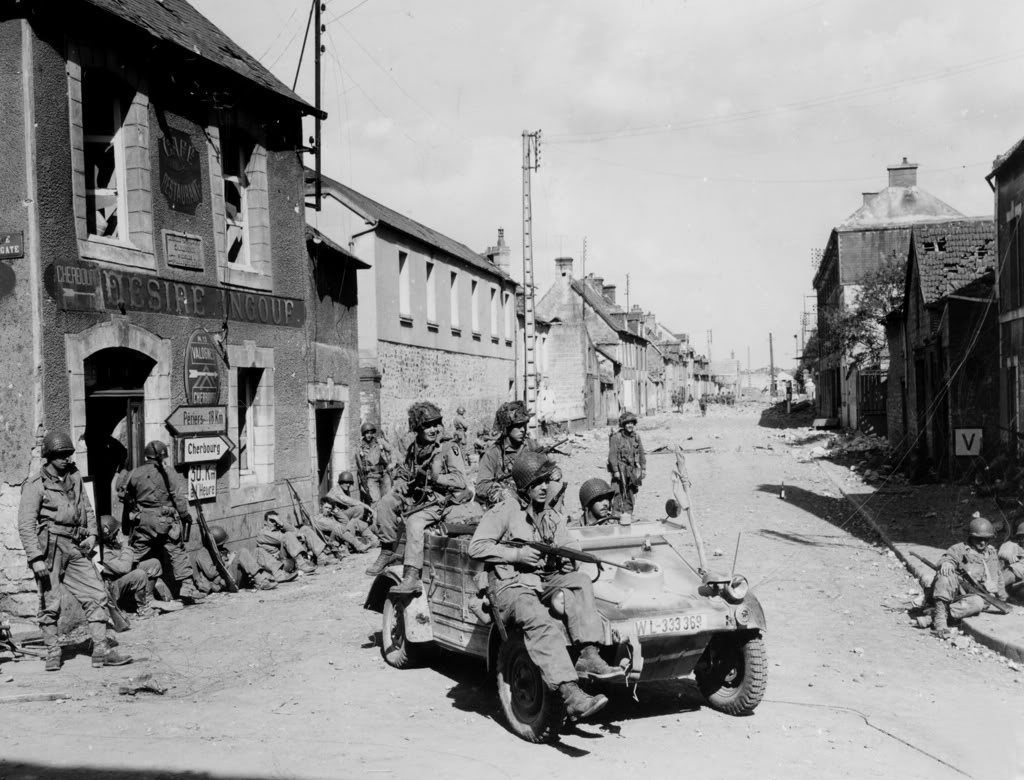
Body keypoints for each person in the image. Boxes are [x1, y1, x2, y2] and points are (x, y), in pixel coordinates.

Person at [468, 450, 623, 722]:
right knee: (540, 620)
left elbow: (570, 545)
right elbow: (476, 546)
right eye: (537, 483)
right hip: (509, 586)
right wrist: (516, 555)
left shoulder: (550, 514)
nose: (543, 487)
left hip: (541, 581)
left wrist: (572, 559)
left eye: (546, 482)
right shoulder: (506, 510)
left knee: (580, 581)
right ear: (524, 486)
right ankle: (570, 694)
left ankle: (588, 654)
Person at [17, 431, 131, 671]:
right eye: (60, 455)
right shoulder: (35, 484)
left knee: (96, 593)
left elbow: (87, 508)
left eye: (68, 454)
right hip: (51, 549)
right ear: (48, 457)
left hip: (77, 545)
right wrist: (35, 558)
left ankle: (101, 649)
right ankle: (53, 651)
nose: (66, 459)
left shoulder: (75, 476)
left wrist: (92, 534)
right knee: (51, 602)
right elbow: (26, 524)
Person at [366, 401, 472, 594]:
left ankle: (412, 575)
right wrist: (399, 481)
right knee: (384, 504)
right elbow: (406, 471)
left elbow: (460, 480)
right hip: (416, 495)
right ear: (417, 429)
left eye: (436, 424)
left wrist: (436, 478)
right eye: (427, 426)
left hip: (438, 500)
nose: (433, 429)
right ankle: (387, 548)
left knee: (414, 523)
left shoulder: (448, 447)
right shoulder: (415, 448)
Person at [120, 440, 204, 603]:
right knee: (177, 552)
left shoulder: (134, 473)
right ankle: (187, 588)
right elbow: (178, 496)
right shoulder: (168, 473)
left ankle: (124, 583)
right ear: (162, 456)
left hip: (143, 521)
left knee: (135, 554)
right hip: (166, 520)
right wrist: (185, 514)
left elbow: (125, 497)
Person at [930, 515, 1008, 638]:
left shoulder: (991, 553)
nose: (983, 543)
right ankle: (940, 621)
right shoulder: (960, 548)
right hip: (954, 591)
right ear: (971, 537)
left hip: (975, 595)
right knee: (945, 573)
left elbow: (998, 576)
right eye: (979, 539)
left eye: (986, 539)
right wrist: (947, 563)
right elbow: (947, 557)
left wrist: (1002, 599)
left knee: (977, 604)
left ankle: (934, 615)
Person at [476, 401, 540, 510]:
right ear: (506, 428)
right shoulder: (493, 453)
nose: (523, 430)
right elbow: (481, 486)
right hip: (506, 505)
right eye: (518, 426)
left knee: (554, 487)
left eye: (524, 425)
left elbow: (546, 467)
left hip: (530, 496)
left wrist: (553, 472)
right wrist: (501, 492)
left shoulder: (531, 445)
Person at [97, 514, 163, 617]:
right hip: (112, 588)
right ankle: (143, 609)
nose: (118, 533)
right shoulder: (101, 553)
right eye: (116, 532)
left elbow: (125, 561)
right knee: (139, 574)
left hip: (119, 579)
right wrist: (125, 545)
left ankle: (149, 599)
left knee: (154, 564)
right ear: (108, 534)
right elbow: (124, 568)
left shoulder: (109, 544)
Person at [194, 525, 281, 593]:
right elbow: (211, 573)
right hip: (227, 581)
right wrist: (227, 561)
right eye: (220, 544)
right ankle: (261, 581)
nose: (223, 546)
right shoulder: (203, 553)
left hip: (234, 575)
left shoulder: (219, 550)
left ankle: (279, 574)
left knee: (257, 551)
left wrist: (230, 556)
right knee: (242, 552)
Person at [323, 472, 379, 552]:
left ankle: (368, 536)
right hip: (334, 520)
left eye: (350, 483)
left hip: (341, 517)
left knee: (361, 518)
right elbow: (350, 501)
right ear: (341, 482)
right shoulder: (336, 491)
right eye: (346, 482)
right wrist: (368, 508)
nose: (348, 485)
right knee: (360, 509)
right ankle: (354, 533)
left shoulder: (344, 490)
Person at [255, 510, 323, 576]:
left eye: (276, 521)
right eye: (272, 521)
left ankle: (321, 556)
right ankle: (301, 564)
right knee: (288, 535)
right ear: (265, 522)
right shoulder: (262, 533)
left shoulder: (278, 529)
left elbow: (294, 530)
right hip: (279, 562)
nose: (274, 523)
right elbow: (281, 537)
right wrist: (297, 534)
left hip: (288, 557)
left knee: (305, 529)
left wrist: (281, 523)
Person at [607, 411, 646, 514]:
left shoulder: (636, 437)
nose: (630, 425)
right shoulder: (616, 437)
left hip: (632, 471)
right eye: (628, 423)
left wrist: (643, 468)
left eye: (632, 423)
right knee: (618, 493)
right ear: (623, 425)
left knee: (630, 493)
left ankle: (628, 515)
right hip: (620, 470)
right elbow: (612, 456)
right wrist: (615, 471)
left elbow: (641, 453)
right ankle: (616, 515)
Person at [356, 422, 392, 505]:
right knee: (375, 501)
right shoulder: (360, 447)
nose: (369, 435)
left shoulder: (380, 442)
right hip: (371, 477)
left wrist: (392, 463)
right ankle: (375, 517)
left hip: (384, 474)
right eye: (366, 433)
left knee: (388, 499)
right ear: (363, 434)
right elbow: (359, 466)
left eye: (370, 433)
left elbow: (391, 449)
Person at [998, 520, 1024, 593]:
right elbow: (1001, 553)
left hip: (1020, 583)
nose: (1022, 540)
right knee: (1016, 568)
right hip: (1008, 574)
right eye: (1021, 537)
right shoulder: (1012, 545)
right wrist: (1012, 557)